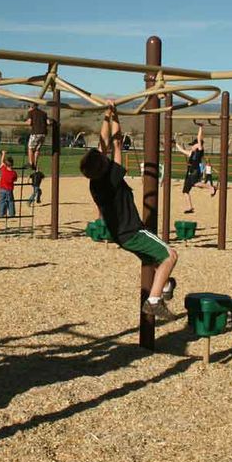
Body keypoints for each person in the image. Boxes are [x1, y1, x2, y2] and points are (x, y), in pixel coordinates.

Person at [80, 101, 178, 319]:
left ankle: (165, 285)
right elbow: (115, 143)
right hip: (132, 231)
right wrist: (115, 117)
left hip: (120, 235)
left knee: (153, 260)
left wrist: (108, 114)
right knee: (170, 255)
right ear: (103, 164)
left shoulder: (95, 182)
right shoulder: (112, 177)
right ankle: (153, 301)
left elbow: (103, 143)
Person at [174, 125, 215, 214]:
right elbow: (181, 150)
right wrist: (175, 143)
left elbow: (199, 138)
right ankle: (190, 207)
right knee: (185, 191)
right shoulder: (191, 153)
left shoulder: (200, 150)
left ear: (197, 145)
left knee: (195, 183)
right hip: (189, 173)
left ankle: (210, 187)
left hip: (195, 171)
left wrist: (200, 127)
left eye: (193, 145)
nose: (192, 146)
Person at [25, 103, 50, 170]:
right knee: (37, 149)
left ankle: (31, 163)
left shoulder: (30, 112)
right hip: (43, 133)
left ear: (31, 106)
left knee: (30, 148)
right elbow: (48, 122)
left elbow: (29, 122)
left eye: (29, 106)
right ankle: (35, 163)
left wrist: (26, 122)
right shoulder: (44, 113)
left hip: (35, 133)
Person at [0, 150, 17, 217]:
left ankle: (2, 214)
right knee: (11, 201)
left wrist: (3, 154)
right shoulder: (14, 173)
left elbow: (2, 162)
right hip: (9, 190)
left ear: (6, 165)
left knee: (2, 201)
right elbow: (15, 180)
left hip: (2, 189)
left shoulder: (3, 169)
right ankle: (12, 213)